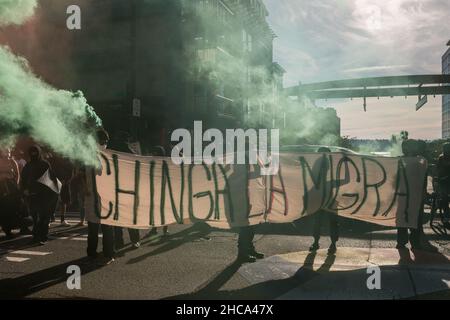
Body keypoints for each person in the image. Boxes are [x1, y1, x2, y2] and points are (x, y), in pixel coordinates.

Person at [86, 129, 116, 265]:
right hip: (94, 196)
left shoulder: (106, 156)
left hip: (103, 197)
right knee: (96, 227)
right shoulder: (90, 157)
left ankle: (106, 253)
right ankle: (97, 253)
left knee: (106, 227)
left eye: (105, 142)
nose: (104, 144)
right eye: (102, 141)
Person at [20, 145, 59, 245]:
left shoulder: (45, 164)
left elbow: (52, 178)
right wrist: (24, 190)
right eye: (31, 152)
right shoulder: (28, 166)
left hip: (44, 195)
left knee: (43, 217)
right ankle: (37, 236)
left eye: (35, 152)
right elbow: (23, 179)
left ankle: (42, 236)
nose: (33, 154)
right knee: (35, 216)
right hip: (32, 194)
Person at [109, 131, 141, 249]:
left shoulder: (112, 153)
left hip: (117, 191)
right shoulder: (130, 154)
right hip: (128, 191)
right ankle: (134, 240)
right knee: (130, 218)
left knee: (118, 219)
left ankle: (119, 242)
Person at [309, 147, 339, 255]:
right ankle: (322, 243)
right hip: (322, 195)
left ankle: (331, 244)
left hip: (327, 195)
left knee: (328, 222)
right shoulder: (322, 163)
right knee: (321, 221)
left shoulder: (329, 163)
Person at [396, 140, 424, 249]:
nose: (404, 149)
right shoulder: (400, 160)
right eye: (404, 147)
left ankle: (414, 242)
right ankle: (402, 242)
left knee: (415, 219)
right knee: (402, 219)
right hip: (403, 194)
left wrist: (423, 192)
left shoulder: (419, 161)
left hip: (415, 195)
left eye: (407, 147)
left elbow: (422, 179)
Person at [437, 142, 450, 225]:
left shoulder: (441, 158)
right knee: (444, 198)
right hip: (444, 181)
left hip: (446, 180)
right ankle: (446, 215)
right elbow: (438, 170)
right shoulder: (441, 158)